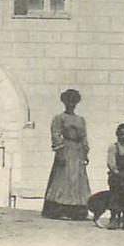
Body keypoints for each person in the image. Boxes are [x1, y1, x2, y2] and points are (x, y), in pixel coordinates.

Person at [42, 89, 91, 221]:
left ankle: (76, 211)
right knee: (64, 179)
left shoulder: (80, 119)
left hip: (78, 152)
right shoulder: (59, 118)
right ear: (64, 102)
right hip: (66, 149)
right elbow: (56, 134)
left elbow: (84, 137)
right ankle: (60, 209)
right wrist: (60, 152)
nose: (71, 105)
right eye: (69, 102)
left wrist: (85, 153)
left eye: (74, 102)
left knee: (77, 180)